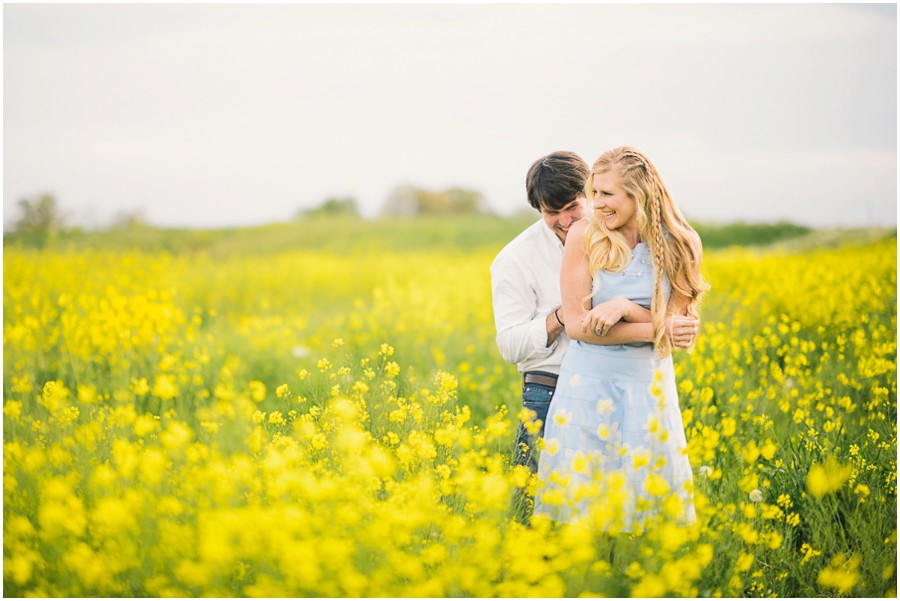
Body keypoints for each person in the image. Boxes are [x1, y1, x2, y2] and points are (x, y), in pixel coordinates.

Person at [533, 146, 707, 531]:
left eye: (606, 194)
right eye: (594, 193)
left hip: (647, 387)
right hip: (588, 385)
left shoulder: (682, 242)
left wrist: (625, 307)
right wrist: (656, 326)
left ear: (638, 193)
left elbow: (677, 331)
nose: (596, 204)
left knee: (646, 513)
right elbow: (579, 326)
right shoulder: (584, 234)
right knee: (582, 516)